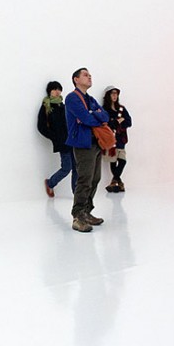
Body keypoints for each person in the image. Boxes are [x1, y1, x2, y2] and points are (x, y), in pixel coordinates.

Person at [65, 67, 109, 232]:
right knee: (84, 179)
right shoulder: (72, 98)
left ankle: (86, 211)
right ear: (76, 79)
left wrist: (94, 113)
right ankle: (78, 216)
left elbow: (105, 116)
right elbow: (86, 119)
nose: (89, 77)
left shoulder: (90, 99)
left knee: (95, 178)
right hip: (83, 144)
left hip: (95, 143)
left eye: (90, 75)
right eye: (85, 75)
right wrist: (94, 114)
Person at [38, 81, 77, 197]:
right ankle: (50, 183)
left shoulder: (63, 106)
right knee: (67, 167)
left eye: (59, 89)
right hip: (62, 142)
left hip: (72, 140)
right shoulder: (46, 106)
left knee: (77, 167)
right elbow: (41, 126)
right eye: (54, 89)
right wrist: (55, 137)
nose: (57, 92)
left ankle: (76, 194)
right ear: (49, 91)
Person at [102, 86, 132, 193]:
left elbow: (129, 122)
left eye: (116, 93)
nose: (115, 96)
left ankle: (114, 181)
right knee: (113, 161)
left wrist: (118, 122)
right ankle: (119, 183)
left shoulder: (121, 109)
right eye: (112, 93)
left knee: (122, 161)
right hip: (110, 140)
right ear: (108, 95)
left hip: (121, 139)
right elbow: (106, 124)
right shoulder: (104, 110)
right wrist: (118, 120)